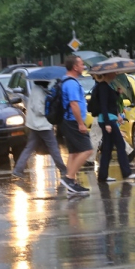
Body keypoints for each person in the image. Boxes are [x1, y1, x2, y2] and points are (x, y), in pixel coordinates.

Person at [11, 80, 71, 186]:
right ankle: (63, 169)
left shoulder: (37, 90)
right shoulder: (39, 92)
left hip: (35, 124)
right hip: (42, 125)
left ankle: (18, 170)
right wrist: (49, 111)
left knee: (29, 147)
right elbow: (39, 109)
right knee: (53, 147)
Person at [96, 72, 135, 182]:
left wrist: (118, 93)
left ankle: (103, 175)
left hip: (109, 119)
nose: (115, 75)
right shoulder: (103, 87)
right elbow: (103, 106)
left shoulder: (108, 86)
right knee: (120, 144)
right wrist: (107, 123)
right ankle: (126, 172)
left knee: (107, 148)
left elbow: (111, 103)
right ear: (107, 74)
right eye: (113, 73)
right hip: (108, 120)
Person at [61, 54, 93, 195]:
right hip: (73, 121)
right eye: (81, 64)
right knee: (87, 150)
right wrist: (81, 123)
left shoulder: (67, 81)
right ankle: (69, 178)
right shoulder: (72, 83)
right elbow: (74, 104)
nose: (83, 67)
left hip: (68, 121)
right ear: (75, 67)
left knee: (74, 153)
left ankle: (71, 185)